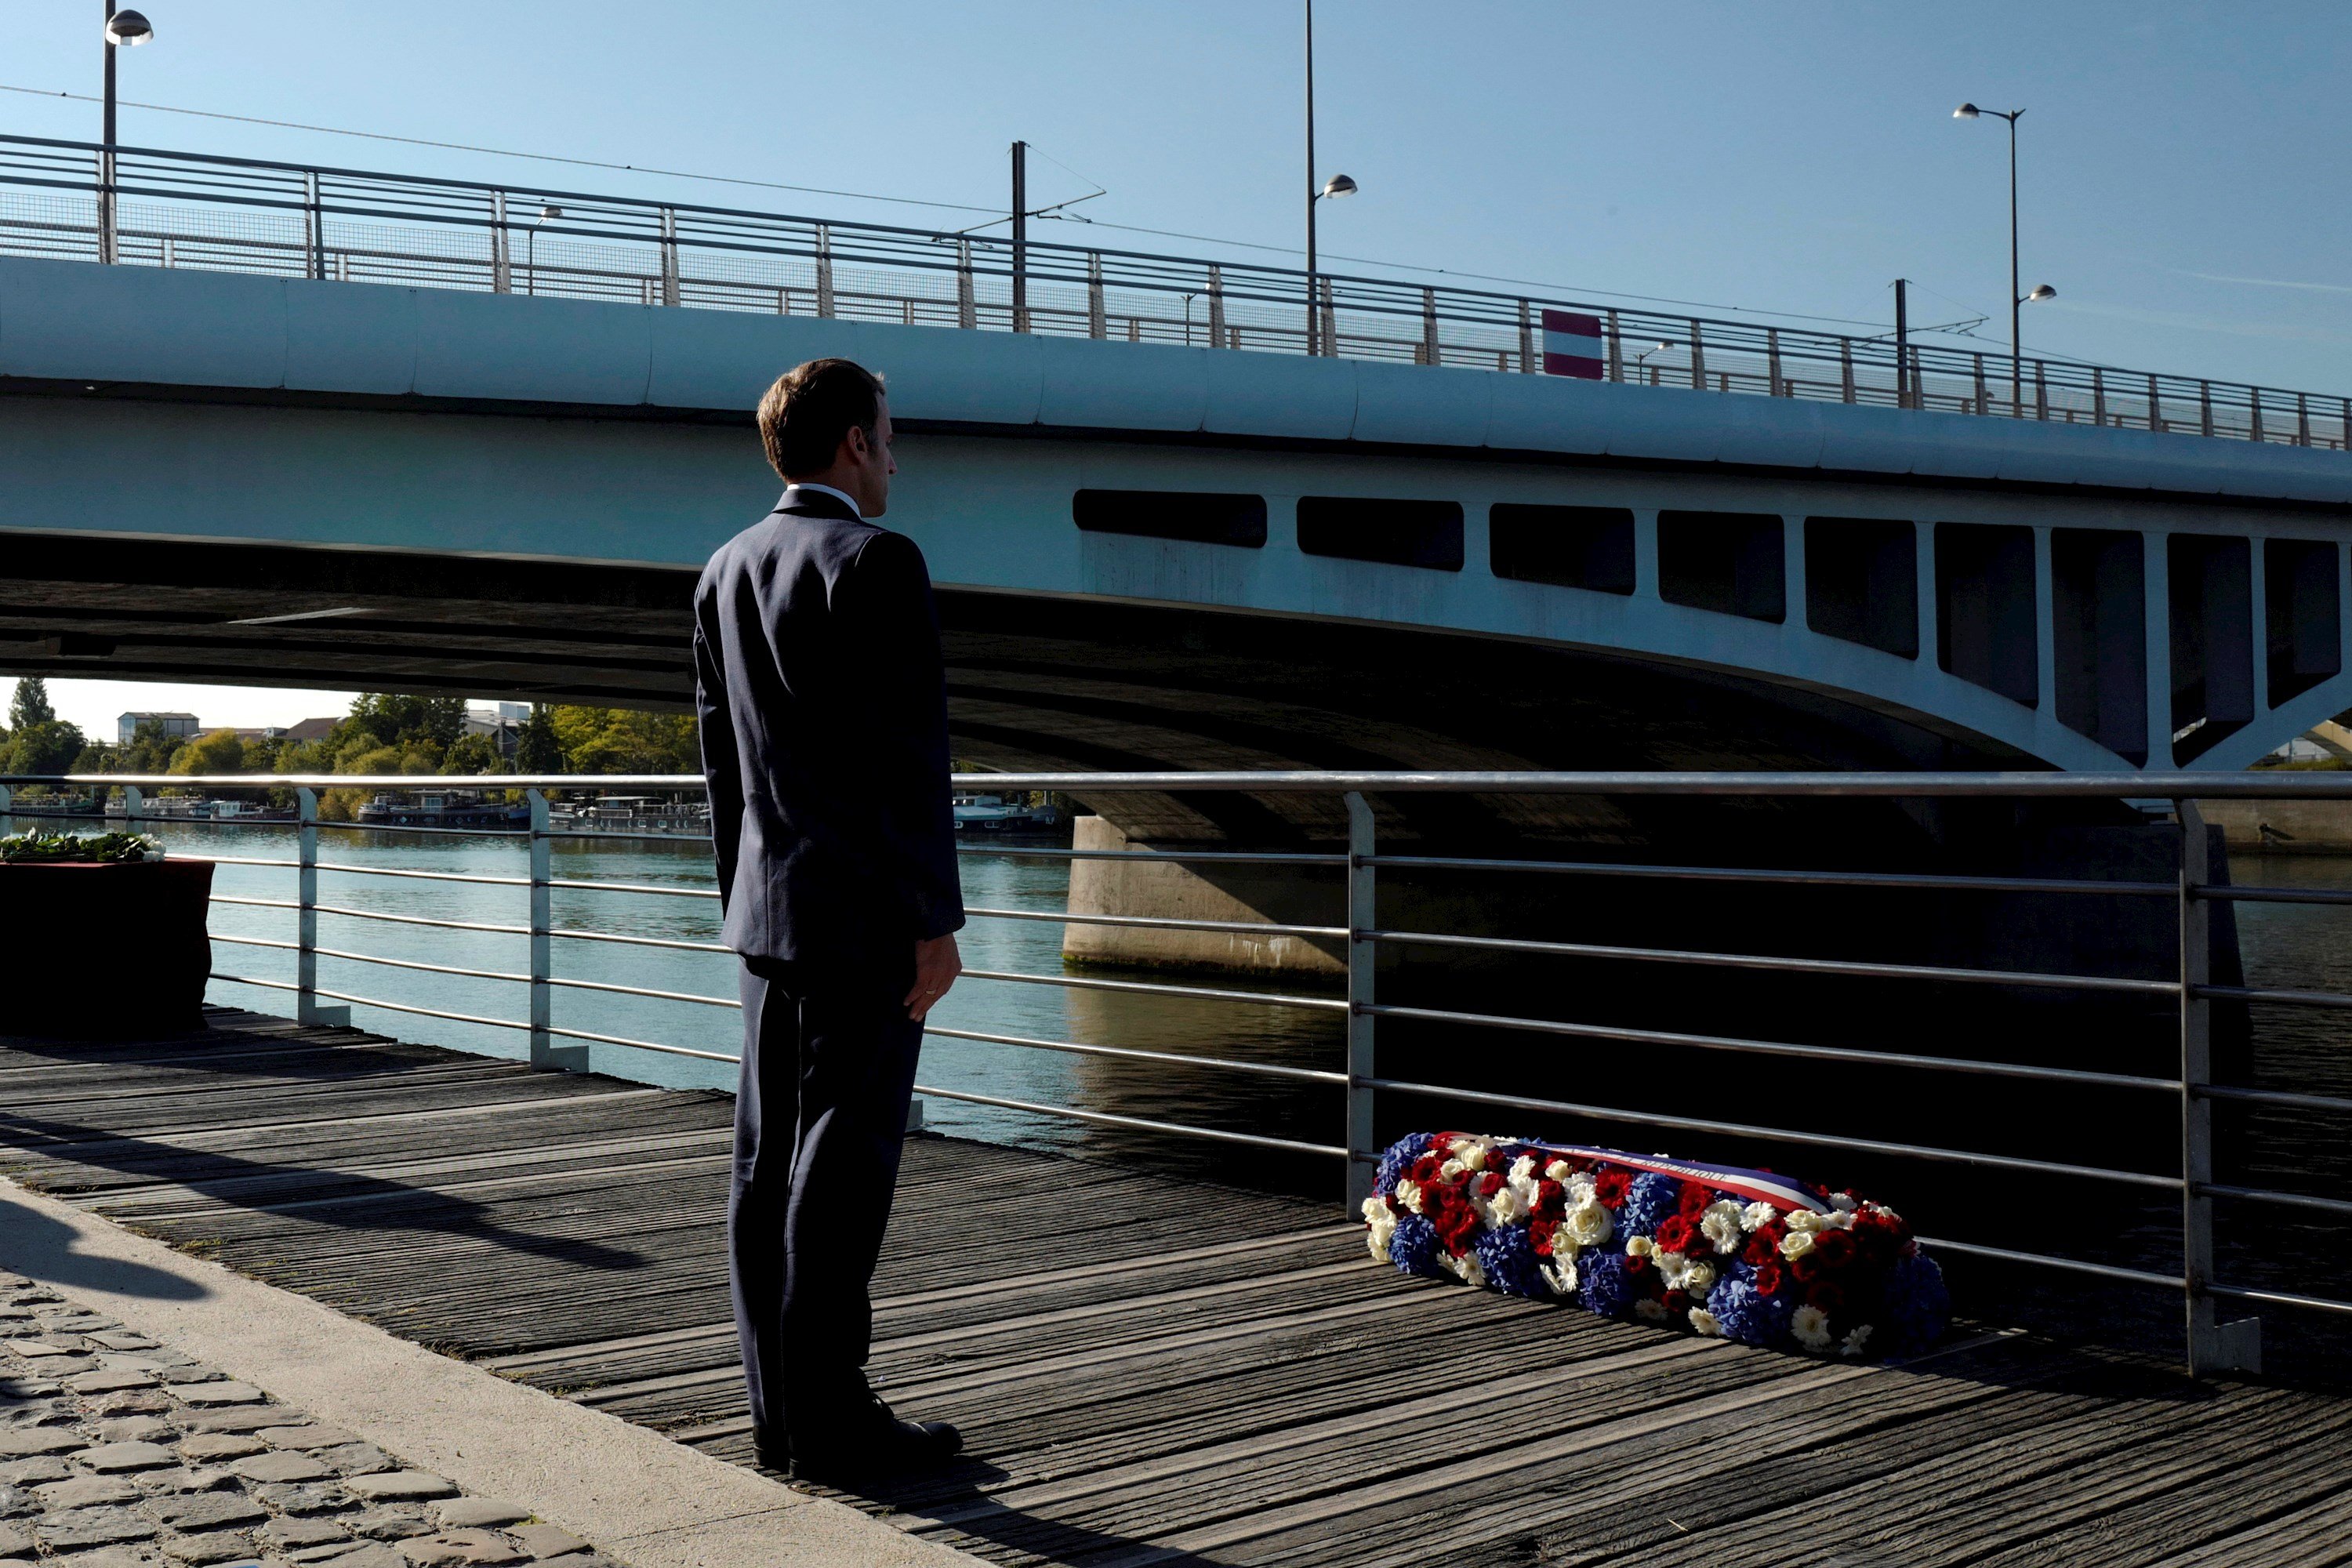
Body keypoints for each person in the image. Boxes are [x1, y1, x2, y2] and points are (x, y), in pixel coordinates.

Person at [693, 357, 966, 1483]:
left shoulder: (723, 568)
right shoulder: (877, 560)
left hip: (768, 918)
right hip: (862, 923)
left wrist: (742, 901)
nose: (897, 456)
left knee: (765, 1169)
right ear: (853, 441)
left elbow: (725, 769)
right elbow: (908, 765)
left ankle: (780, 1419)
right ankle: (838, 1422)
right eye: (890, 434)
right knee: (844, 1169)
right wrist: (934, 923)